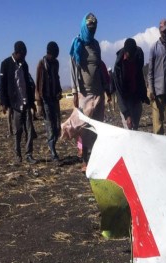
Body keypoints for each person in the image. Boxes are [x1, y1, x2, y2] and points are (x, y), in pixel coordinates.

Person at [70, 13, 111, 171]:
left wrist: (106, 89)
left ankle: (95, 158)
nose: (92, 31)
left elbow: (100, 68)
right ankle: (85, 160)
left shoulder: (96, 45)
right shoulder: (77, 44)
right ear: (84, 27)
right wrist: (74, 92)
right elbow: (74, 69)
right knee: (85, 127)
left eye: (94, 28)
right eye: (90, 28)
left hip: (98, 92)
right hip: (84, 93)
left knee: (97, 126)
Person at [0, 40, 38, 164]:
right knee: (17, 131)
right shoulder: (5, 64)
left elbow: (28, 84)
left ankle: (29, 154)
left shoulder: (24, 65)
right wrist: (4, 103)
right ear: (16, 53)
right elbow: (3, 85)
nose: (24, 58)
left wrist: (32, 103)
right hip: (15, 103)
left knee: (29, 130)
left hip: (26, 102)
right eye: (22, 55)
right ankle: (18, 156)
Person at [113, 38, 149, 130]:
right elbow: (119, 93)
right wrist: (126, 114)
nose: (131, 59)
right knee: (128, 130)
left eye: (132, 57)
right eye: (129, 57)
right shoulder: (118, 67)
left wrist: (144, 95)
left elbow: (140, 78)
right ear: (125, 53)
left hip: (136, 98)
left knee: (135, 128)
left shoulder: (138, 57)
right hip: (125, 99)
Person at [36, 41, 62, 161]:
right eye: (55, 53)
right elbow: (38, 84)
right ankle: (53, 152)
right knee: (50, 125)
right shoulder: (42, 64)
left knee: (57, 125)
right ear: (50, 53)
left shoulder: (56, 63)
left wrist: (59, 90)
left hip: (54, 99)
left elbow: (57, 78)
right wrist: (39, 104)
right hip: (45, 99)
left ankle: (52, 144)